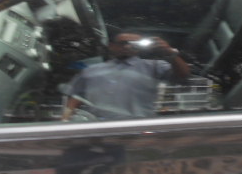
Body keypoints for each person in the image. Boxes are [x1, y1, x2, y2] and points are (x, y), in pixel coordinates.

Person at [61, 32, 190, 121]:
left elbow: (183, 75)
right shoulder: (92, 71)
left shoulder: (154, 66)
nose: (128, 46)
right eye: (123, 43)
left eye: (134, 43)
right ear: (112, 46)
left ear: (140, 47)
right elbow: (75, 97)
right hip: (98, 128)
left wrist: (171, 52)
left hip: (138, 127)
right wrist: (66, 120)